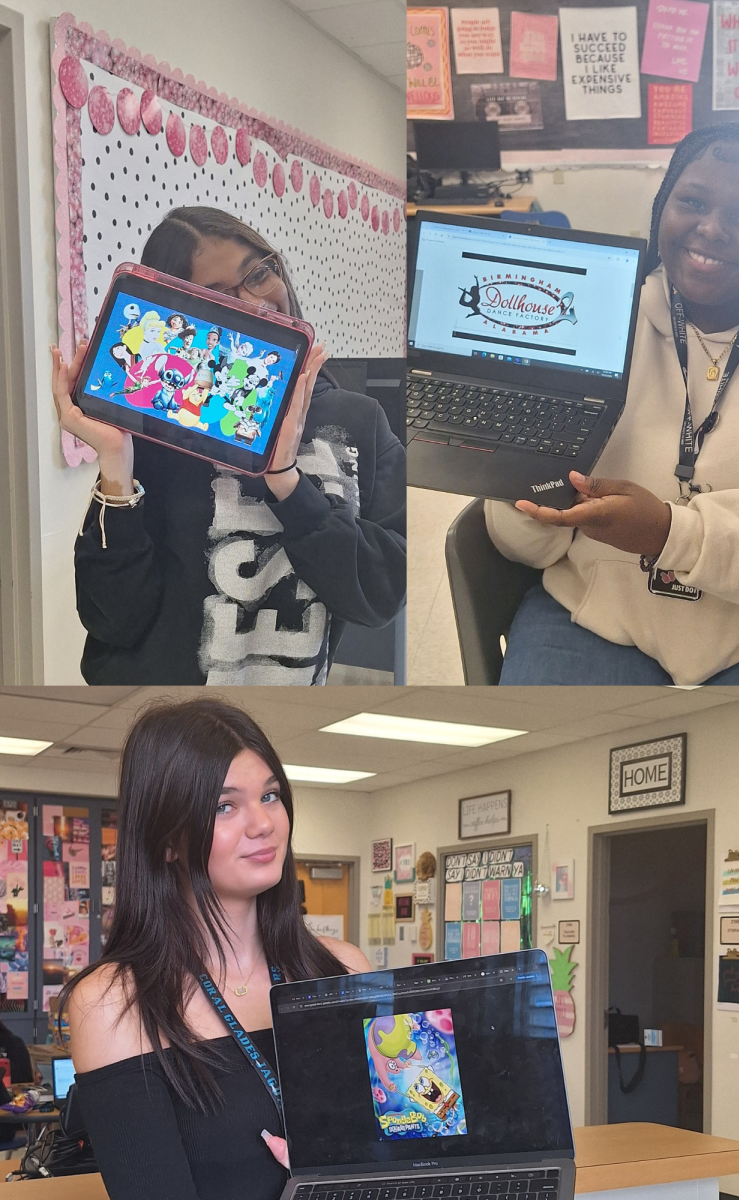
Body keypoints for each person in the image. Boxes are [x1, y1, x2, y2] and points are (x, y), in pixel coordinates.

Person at [486, 124, 739, 685]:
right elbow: (522, 548)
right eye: (693, 202)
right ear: (663, 206)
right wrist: (521, 483)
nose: (711, 230)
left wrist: (668, 533)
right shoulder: (584, 322)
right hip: (591, 618)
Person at [51, 207, 406, 685]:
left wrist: (287, 482)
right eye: (218, 299)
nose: (256, 302)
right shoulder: (159, 435)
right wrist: (116, 464)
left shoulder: (359, 421)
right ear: (185, 321)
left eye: (258, 273)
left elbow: (382, 594)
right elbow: (113, 620)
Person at [60, 697, 370, 1200]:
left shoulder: (342, 968)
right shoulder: (114, 1003)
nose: (263, 824)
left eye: (270, 796)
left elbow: (399, 1138)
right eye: (225, 806)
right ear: (167, 841)